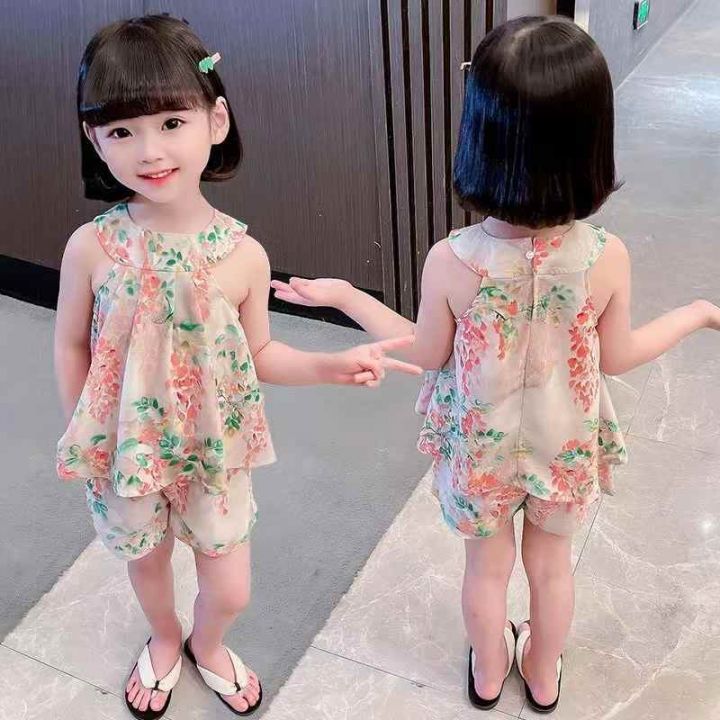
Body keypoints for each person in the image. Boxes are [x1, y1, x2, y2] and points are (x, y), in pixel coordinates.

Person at [272, 16, 720, 714]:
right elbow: (621, 356)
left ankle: (486, 674)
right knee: (551, 568)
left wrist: (348, 297)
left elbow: (426, 353)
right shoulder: (605, 256)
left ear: (480, 136)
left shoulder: (454, 259)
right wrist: (696, 312)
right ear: (591, 143)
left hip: (479, 452)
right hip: (564, 447)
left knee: (486, 570)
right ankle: (542, 676)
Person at [54, 15, 419, 719]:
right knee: (146, 561)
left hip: (215, 453)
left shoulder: (242, 255)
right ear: (93, 140)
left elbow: (259, 356)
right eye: (122, 131)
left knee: (230, 588)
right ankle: (165, 637)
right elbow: (72, 344)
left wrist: (332, 366)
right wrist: (87, 432)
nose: (150, 150)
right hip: (126, 450)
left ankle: (208, 642)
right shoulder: (91, 247)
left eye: (171, 122)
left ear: (215, 120)